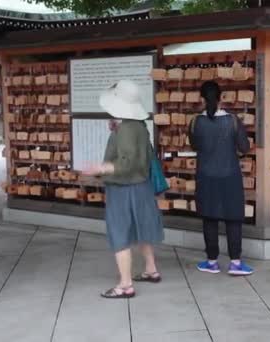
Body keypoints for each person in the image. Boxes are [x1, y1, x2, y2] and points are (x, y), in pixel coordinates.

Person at [83, 80, 164, 298]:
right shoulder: (139, 125)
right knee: (142, 228)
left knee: (120, 233)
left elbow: (127, 162)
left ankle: (126, 284)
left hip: (123, 187)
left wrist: (102, 167)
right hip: (142, 186)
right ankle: (150, 269)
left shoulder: (126, 129)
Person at [189, 81, 253, 276]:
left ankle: (212, 262)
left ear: (202, 98)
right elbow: (244, 148)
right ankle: (235, 263)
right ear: (220, 97)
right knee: (233, 218)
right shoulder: (233, 121)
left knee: (209, 218)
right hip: (230, 176)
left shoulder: (195, 122)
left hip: (206, 176)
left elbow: (194, 146)